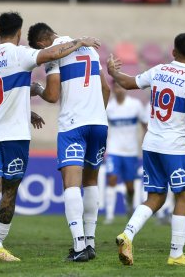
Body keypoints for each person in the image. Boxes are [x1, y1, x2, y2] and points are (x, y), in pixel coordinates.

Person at [0, 12, 101, 262]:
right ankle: (0, 246)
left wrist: (26, 108)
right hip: (14, 135)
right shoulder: (19, 53)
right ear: (20, 33)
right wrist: (79, 42)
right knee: (9, 192)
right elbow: (52, 54)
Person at [107, 33, 185, 266]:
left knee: (156, 197)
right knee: (184, 195)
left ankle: (127, 234)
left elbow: (129, 83)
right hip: (176, 147)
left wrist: (112, 72)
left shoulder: (159, 70)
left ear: (173, 52)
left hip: (151, 144)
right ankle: (176, 254)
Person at [28, 22, 110, 262]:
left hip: (74, 125)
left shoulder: (55, 51)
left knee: (71, 183)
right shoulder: (90, 50)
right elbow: (105, 88)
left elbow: (53, 95)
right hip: (99, 123)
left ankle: (79, 246)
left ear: (41, 43)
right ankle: (91, 242)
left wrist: (38, 89)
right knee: (91, 180)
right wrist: (97, 113)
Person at [104, 81, 147, 225]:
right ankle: (109, 215)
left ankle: (129, 207)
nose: (120, 89)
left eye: (122, 86)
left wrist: (144, 142)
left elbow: (144, 125)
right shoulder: (109, 107)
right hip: (114, 149)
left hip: (131, 151)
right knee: (112, 179)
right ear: (114, 89)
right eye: (117, 86)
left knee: (130, 186)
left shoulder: (135, 105)